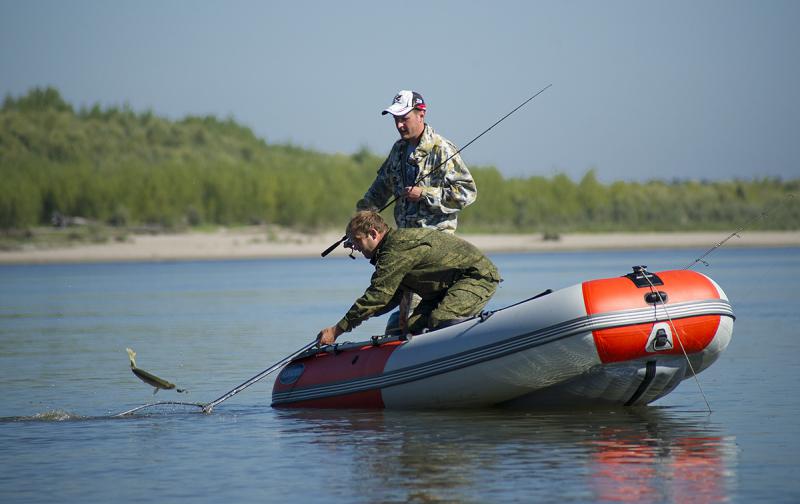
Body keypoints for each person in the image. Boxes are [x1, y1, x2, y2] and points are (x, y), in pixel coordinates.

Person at [317, 211, 500, 345]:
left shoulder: (396, 249)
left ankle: (486, 342)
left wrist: (338, 329)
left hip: (476, 276)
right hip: (445, 288)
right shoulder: (389, 251)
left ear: (373, 233)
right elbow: (387, 299)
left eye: (356, 241)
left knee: (441, 320)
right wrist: (357, 319)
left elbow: (377, 296)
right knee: (413, 327)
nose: (354, 247)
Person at [356, 90, 476, 233]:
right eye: (396, 119)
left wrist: (424, 194)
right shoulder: (398, 150)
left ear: (421, 115)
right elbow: (378, 191)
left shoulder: (443, 149)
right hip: (405, 238)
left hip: (437, 241)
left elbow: (467, 192)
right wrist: (359, 223)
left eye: (404, 118)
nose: (399, 125)